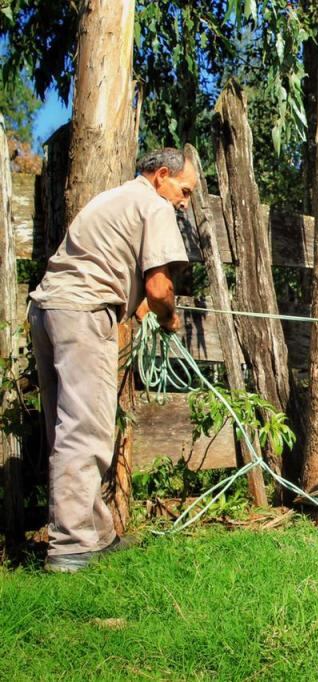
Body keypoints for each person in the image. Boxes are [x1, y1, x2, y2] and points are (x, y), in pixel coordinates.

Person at [27, 147, 197, 573]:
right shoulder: (155, 206)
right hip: (84, 314)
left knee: (66, 427)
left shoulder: (112, 197)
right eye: (186, 190)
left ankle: (96, 534)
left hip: (48, 310)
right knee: (86, 430)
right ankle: (69, 548)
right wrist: (170, 316)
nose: (185, 201)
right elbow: (158, 288)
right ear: (162, 176)